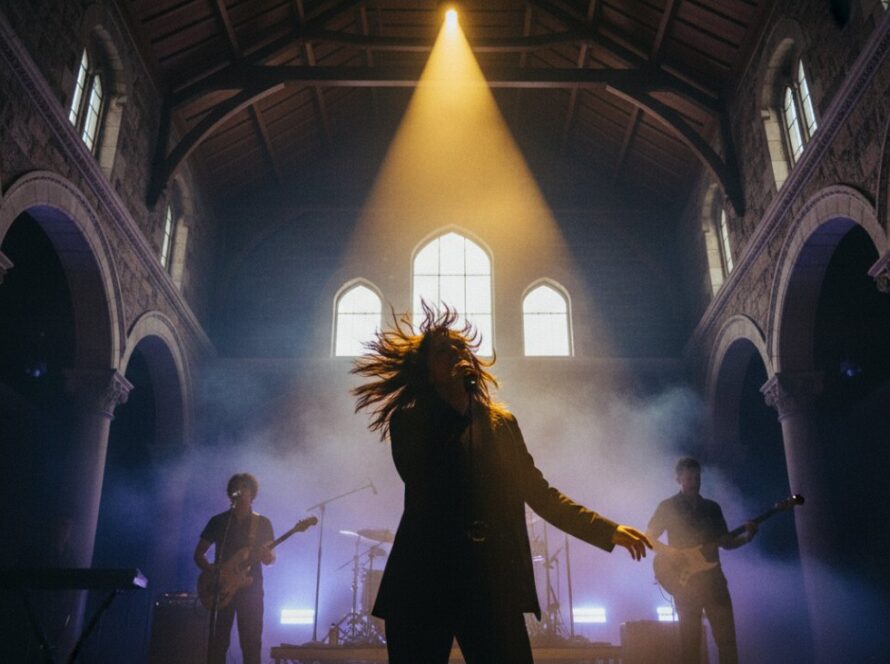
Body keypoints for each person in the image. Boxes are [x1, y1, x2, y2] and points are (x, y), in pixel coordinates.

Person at [352, 304, 652, 664]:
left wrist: (606, 529)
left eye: (461, 348)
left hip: (489, 579)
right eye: (444, 351)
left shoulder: (502, 424)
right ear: (428, 371)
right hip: (424, 579)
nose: (457, 354)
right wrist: (461, 411)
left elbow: (539, 492)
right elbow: (426, 480)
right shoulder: (410, 421)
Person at [646, 457, 757, 664]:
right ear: (678, 479)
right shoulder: (667, 506)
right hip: (686, 585)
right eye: (689, 477)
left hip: (714, 581)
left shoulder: (712, 508)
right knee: (690, 645)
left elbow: (726, 543)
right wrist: (671, 553)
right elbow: (649, 538)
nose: (695, 482)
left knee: (727, 643)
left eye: (697, 477)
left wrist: (747, 537)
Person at [194, 473, 275, 664]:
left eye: (245, 487)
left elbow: (270, 560)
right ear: (230, 494)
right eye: (236, 488)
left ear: (252, 493)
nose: (240, 491)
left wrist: (267, 555)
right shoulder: (219, 521)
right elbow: (199, 554)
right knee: (217, 643)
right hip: (220, 589)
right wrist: (213, 571)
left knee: (251, 643)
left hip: (251, 590)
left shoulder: (262, 523)